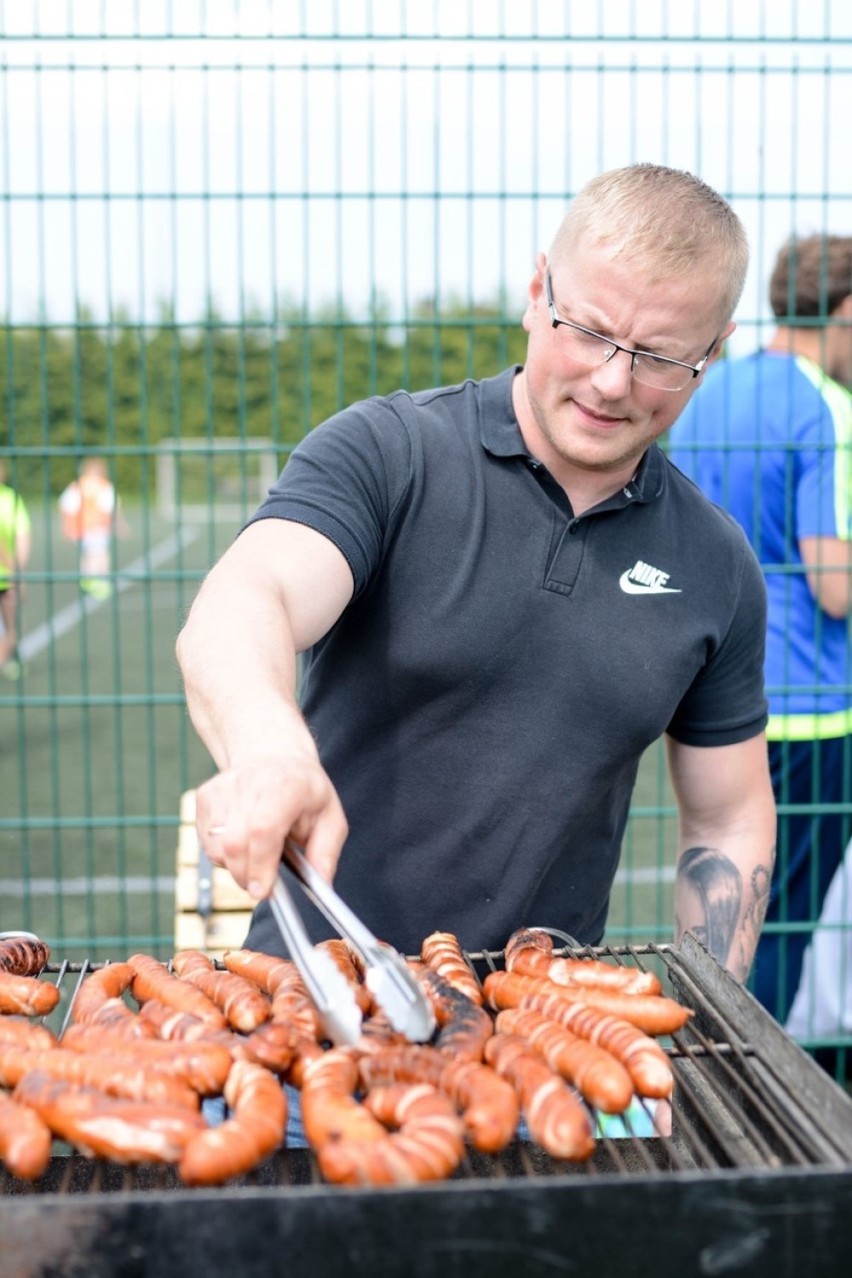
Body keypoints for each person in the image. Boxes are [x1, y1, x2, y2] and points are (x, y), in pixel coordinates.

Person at [176, 163, 776, 986]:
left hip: (539, 1028)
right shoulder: (389, 454)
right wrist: (272, 752)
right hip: (312, 996)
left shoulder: (717, 563)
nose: (611, 381)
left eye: (659, 358)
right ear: (538, 290)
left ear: (714, 352)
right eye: (589, 331)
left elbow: (729, 815)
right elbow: (247, 598)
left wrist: (711, 1002)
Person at [669, 233, 852, 1026]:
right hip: (814, 709)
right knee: (777, 930)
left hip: (712, 698)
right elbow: (834, 586)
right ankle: (748, 1091)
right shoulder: (829, 409)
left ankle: (697, 1052)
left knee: (714, 914)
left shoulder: (710, 392)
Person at [58, 456, 127, 598]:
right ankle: (99, 583)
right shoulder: (103, 486)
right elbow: (111, 508)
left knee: (88, 555)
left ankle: (87, 579)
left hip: (80, 529)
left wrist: (65, 527)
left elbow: (66, 507)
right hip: (97, 528)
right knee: (100, 555)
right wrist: (120, 525)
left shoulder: (77, 485)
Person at [0, 460, 32, 679]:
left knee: (10, 624)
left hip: (6, 576)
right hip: (9, 574)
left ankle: (8, 657)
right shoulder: (11, 498)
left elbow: (23, 536)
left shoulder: (11, 498)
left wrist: (16, 571)